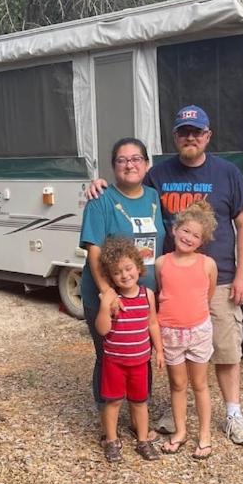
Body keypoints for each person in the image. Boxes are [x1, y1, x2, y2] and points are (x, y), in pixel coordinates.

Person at [86, 106, 243, 446]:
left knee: (224, 349)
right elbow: (126, 188)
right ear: (175, 137)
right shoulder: (157, 176)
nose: (190, 137)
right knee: (168, 348)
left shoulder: (227, 173)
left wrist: (242, 274)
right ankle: (166, 414)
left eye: (197, 132)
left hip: (218, 276)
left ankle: (234, 412)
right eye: (183, 132)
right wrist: (96, 184)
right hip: (168, 282)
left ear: (208, 136)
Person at [79, 138, 164, 439]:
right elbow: (94, 250)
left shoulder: (154, 197)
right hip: (110, 299)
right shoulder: (100, 199)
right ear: (113, 166)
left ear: (146, 164)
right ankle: (109, 428)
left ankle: (139, 422)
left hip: (145, 298)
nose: (130, 164)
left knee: (141, 356)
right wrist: (106, 293)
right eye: (122, 160)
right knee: (109, 359)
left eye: (136, 158)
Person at [156, 201, 217, 459]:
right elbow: (163, 291)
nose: (188, 237)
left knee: (200, 384)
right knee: (177, 384)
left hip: (198, 331)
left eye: (195, 235)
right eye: (185, 231)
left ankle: (205, 435)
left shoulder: (207, 264)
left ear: (202, 241)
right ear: (175, 229)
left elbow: (208, 295)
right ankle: (180, 431)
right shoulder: (161, 263)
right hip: (170, 332)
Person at [95, 237, 164, 463]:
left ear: (138, 266)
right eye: (117, 272)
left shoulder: (147, 294)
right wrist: (105, 305)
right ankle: (112, 441)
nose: (124, 275)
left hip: (140, 361)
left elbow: (152, 323)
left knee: (140, 402)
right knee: (113, 402)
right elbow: (103, 330)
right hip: (115, 361)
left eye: (128, 268)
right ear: (110, 276)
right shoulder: (112, 298)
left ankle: (143, 441)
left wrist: (160, 351)